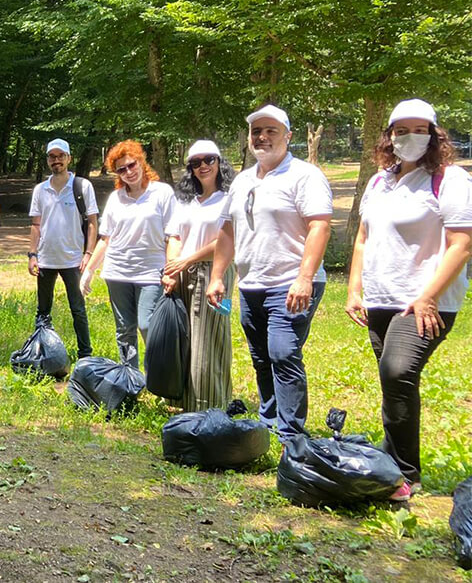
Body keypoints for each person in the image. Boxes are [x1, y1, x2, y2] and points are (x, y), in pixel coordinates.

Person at [345, 98, 472, 501]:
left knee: (398, 371)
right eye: (401, 130)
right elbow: (363, 238)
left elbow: (462, 243)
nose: (410, 137)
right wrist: (353, 289)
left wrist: (428, 297)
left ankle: (404, 474)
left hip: (422, 301)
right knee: (392, 379)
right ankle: (395, 458)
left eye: (420, 130)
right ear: (390, 136)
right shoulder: (380, 180)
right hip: (381, 297)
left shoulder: (449, 180)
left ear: (435, 135)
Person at [207, 104, 332, 441]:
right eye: (256, 131)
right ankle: (268, 422)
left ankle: (291, 434)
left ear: (288, 136)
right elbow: (228, 232)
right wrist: (218, 276)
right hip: (251, 283)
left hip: (291, 282)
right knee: (261, 356)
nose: (262, 137)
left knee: (283, 352)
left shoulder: (305, 176)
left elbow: (319, 226)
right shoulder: (243, 181)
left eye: (270, 131)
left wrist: (304, 278)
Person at [81, 140, 176, 368]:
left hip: (151, 272)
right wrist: (89, 272)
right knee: (124, 330)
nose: (128, 172)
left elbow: (173, 235)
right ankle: (129, 379)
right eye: (121, 169)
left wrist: (171, 270)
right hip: (118, 272)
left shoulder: (162, 192)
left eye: (131, 165)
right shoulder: (116, 198)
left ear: (141, 162)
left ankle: (159, 379)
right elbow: (106, 239)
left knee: (147, 324)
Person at [162, 140, 236, 410]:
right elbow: (174, 235)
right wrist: (171, 269)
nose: (203, 166)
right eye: (195, 162)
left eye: (209, 160)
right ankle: (178, 399)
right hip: (181, 272)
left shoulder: (230, 198)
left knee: (210, 340)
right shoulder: (185, 201)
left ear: (219, 162)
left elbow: (228, 241)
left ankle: (209, 404)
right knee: (182, 337)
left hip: (216, 274)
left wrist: (186, 260)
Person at [27, 138, 98, 358]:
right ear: (48, 160)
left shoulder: (82, 186)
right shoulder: (41, 189)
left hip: (73, 259)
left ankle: (85, 355)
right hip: (46, 259)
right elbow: (36, 225)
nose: (56, 160)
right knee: (43, 311)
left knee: (78, 309)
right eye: (52, 156)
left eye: (60, 156)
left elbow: (93, 222)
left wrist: (88, 254)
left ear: (69, 158)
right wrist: (32, 254)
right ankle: (41, 353)